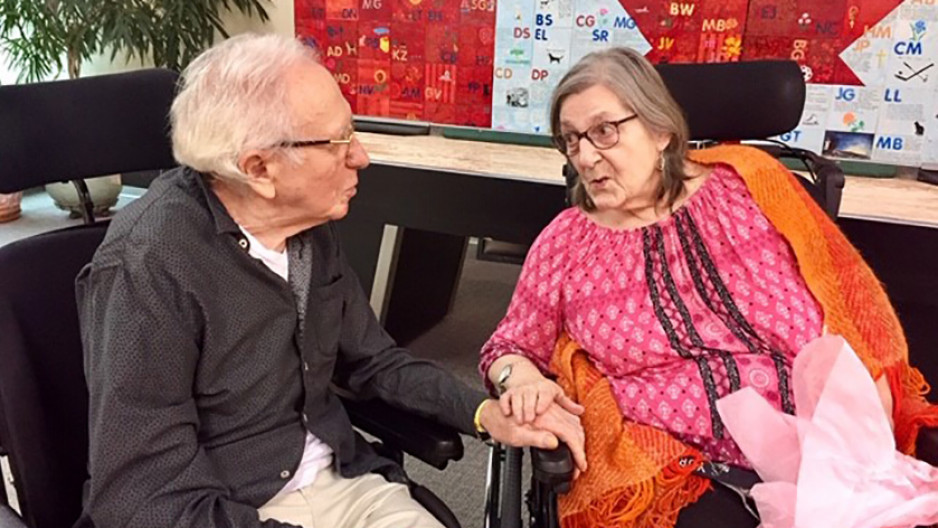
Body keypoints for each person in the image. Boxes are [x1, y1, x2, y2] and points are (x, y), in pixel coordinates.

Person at [75, 33, 585, 528]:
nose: (360, 156)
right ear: (259, 169)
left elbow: (374, 361)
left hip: (343, 476)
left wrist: (482, 413)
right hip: (229, 504)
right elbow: (141, 491)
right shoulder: (149, 265)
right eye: (339, 141)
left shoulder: (307, 226)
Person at [479, 47, 938, 527]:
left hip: (825, 442)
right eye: (571, 139)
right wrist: (523, 379)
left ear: (661, 131)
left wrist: (865, 422)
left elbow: (844, 297)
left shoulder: (752, 185)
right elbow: (508, 346)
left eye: (604, 131)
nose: (586, 155)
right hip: (671, 466)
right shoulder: (565, 242)